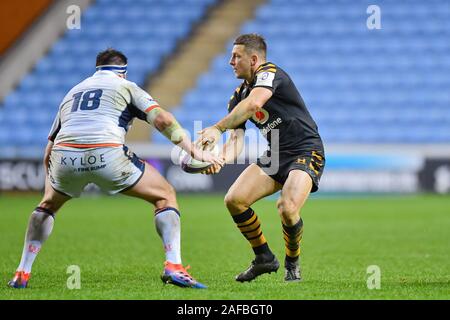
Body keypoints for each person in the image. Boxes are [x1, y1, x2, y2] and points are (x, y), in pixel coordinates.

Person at [8, 48, 223, 289]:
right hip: (106, 153)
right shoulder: (126, 86)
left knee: (47, 206)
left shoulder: (73, 92)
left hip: (65, 155)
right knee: (165, 195)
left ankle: (22, 273)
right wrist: (194, 150)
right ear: (123, 71)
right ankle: (174, 266)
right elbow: (163, 120)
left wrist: (54, 186)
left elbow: (48, 150)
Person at [198, 34, 325, 282]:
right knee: (234, 200)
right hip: (276, 153)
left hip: (305, 149)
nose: (230, 61)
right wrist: (220, 159)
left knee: (287, 208)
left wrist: (216, 128)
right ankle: (264, 258)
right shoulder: (237, 96)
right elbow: (236, 141)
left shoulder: (269, 72)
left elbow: (255, 102)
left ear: (254, 59)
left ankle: (292, 262)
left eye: (236, 56)